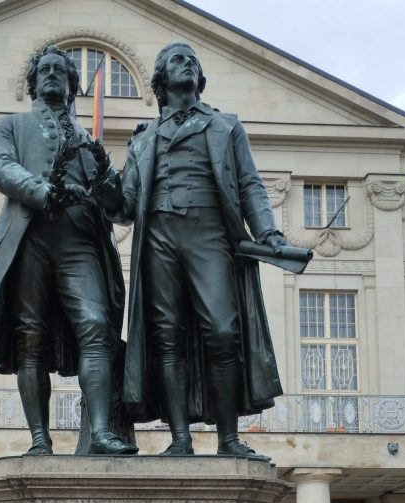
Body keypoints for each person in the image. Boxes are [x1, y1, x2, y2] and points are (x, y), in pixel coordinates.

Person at [117, 42, 288, 458]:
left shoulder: (225, 126)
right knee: (166, 335)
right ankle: (180, 439)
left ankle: (228, 439)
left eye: (193, 60)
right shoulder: (143, 138)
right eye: (178, 59)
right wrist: (101, 184)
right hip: (159, 236)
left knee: (223, 330)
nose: (188, 64)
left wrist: (267, 231)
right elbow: (124, 207)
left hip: (210, 232)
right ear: (161, 80)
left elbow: (249, 184)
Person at [0, 45, 136, 457]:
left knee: (97, 325)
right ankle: (40, 438)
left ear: (72, 86)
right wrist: (43, 191)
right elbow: (2, 168)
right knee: (30, 337)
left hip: (79, 240)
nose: (52, 74)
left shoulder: (89, 141)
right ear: (34, 83)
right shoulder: (10, 125)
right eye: (45, 70)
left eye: (60, 71)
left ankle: (101, 432)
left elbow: (120, 208)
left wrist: (108, 187)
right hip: (29, 236)